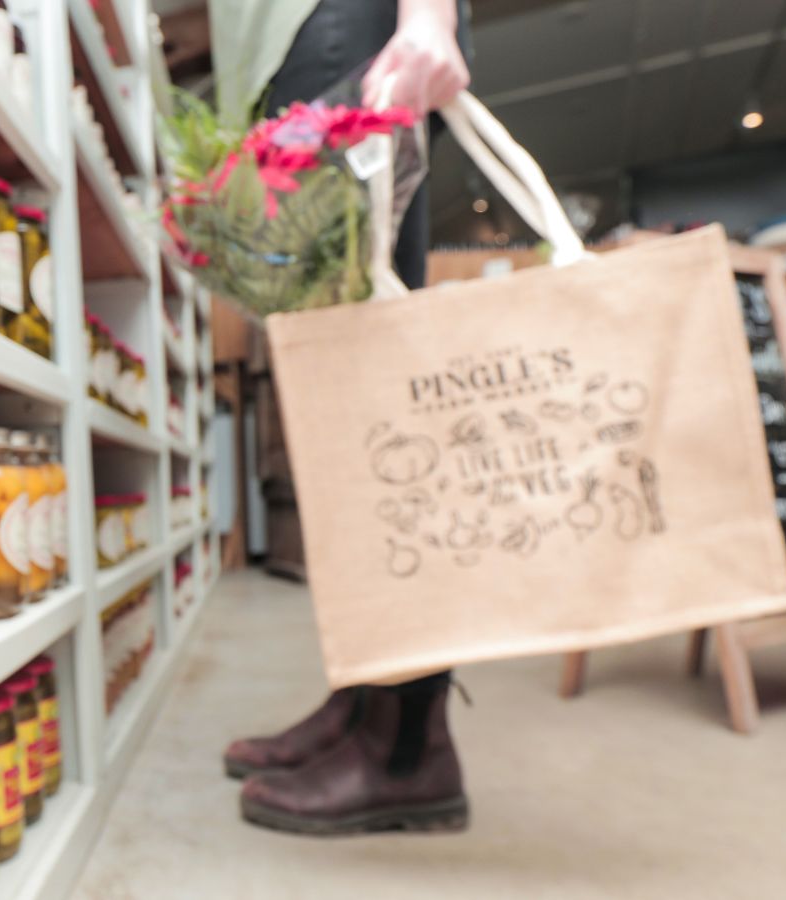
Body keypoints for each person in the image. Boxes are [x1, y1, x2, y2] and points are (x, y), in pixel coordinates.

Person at [227, 0, 475, 836]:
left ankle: (410, 747)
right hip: (316, 44)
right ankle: (365, 704)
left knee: (378, 416)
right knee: (346, 414)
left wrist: (427, 17)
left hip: (349, 31)